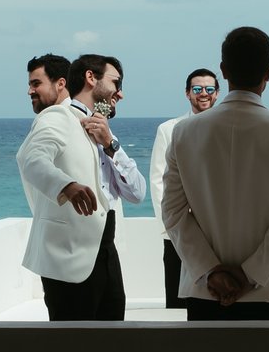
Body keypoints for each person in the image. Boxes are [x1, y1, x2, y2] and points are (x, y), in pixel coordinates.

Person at [160, 27, 269, 320]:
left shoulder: (184, 133)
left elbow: (172, 211)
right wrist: (250, 273)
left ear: (223, 70)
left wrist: (210, 270)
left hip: (206, 289)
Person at [16, 50, 122, 320]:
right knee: (73, 340)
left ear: (61, 83)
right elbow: (31, 159)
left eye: (36, 83)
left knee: (113, 336)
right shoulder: (56, 116)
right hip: (68, 257)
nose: (29, 91)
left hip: (104, 251)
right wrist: (66, 186)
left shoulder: (90, 121)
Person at [148, 67, 219, 313]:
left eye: (209, 89)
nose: (203, 93)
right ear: (187, 93)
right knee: (178, 305)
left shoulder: (227, 128)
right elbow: (158, 181)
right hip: (178, 230)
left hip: (217, 231)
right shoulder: (169, 129)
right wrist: (170, 228)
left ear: (217, 93)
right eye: (197, 89)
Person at [74, 53, 147, 211]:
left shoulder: (107, 135)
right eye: (116, 83)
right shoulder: (64, 121)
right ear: (90, 77)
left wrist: (110, 146)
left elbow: (137, 194)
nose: (120, 94)